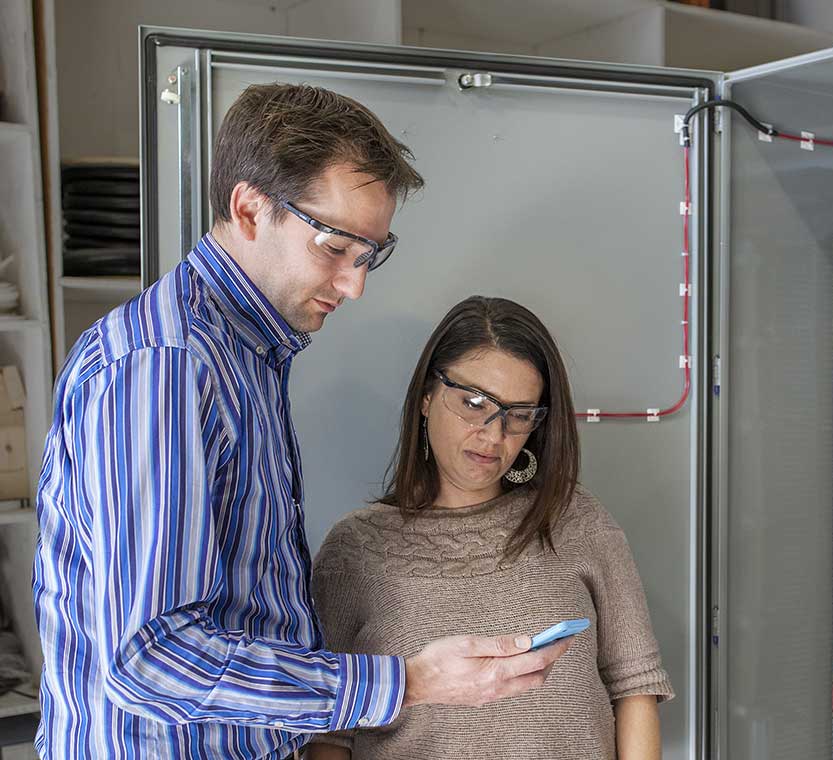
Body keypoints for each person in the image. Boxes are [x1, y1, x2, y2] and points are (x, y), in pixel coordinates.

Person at [31, 84, 569, 759]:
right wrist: (406, 682)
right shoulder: (165, 369)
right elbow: (150, 657)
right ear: (250, 209)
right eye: (335, 246)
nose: (354, 285)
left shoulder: (246, 357)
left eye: (371, 254)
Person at [308, 296, 673, 759]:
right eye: (474, 403)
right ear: (426, 395)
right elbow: (329, 732)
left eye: (518, 415)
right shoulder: (354, 551)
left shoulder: (576, 520)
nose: (493, 434)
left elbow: (635, 686)